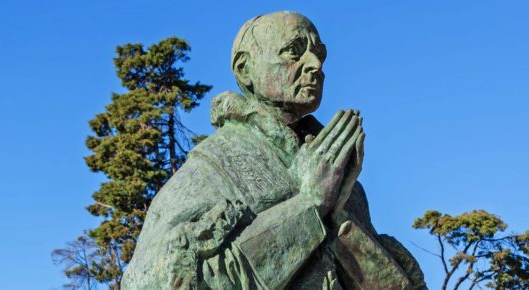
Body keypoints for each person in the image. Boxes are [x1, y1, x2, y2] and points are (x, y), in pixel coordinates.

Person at [122, 11, 425, 290]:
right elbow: (151, 281)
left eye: (319, 54)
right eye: (294, 51)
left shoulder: (339, 175)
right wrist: (309, 205)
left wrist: (342, 218)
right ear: (244, 69)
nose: (315, 65)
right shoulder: (212, 165)